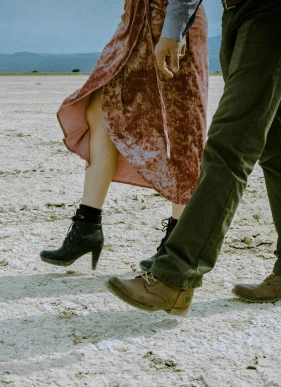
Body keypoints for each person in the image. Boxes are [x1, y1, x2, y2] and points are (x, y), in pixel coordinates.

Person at [107, 0, 281, 315]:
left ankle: (175, 277)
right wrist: (174, 28)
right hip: (237, 14)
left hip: (278, 9)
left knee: (230, 143)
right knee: (278, 142)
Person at [40, 0, 209, 271]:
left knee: (182, 128)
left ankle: (177, 243)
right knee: (101, 109)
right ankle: (87, 226)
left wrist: (174, 30)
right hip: (133, 20)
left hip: (173, 20)